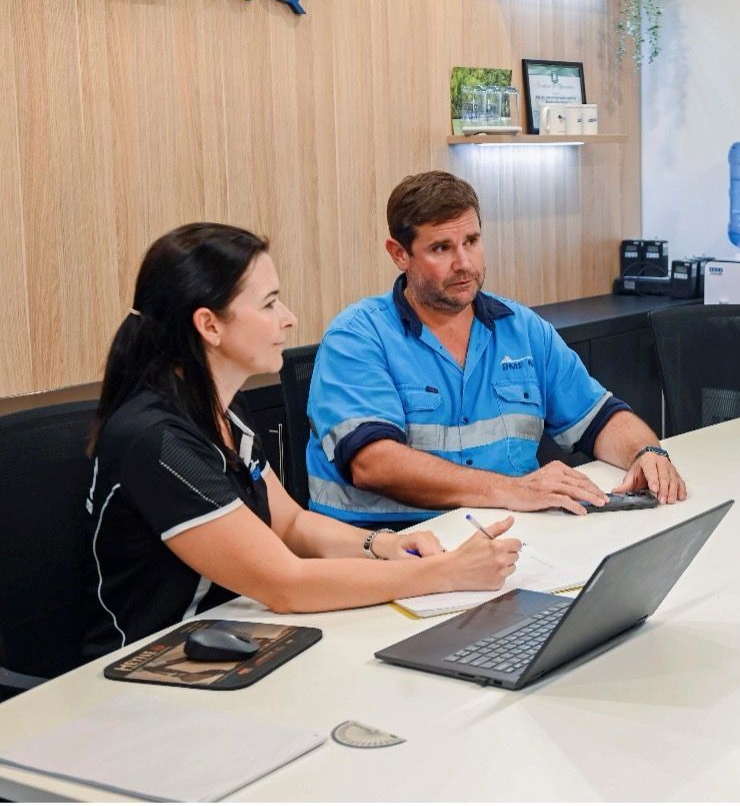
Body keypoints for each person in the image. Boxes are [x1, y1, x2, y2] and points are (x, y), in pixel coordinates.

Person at [84, 223, 521, 660]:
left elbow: (291, 525)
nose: (288, 317)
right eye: (270, 303)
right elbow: (285, 584)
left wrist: (382, 545)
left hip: (238, 634)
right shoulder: (158, 443)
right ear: (209, 325)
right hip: (151, 666)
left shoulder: (221, 410)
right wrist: (444, 574)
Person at [306, 170, 687, 527]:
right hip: (386, 551)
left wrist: (646, 452)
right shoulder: (356, 337)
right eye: (441, 248)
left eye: (471, 241)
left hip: (502, 538)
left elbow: (600, 418)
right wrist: (510, 490)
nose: (464, 263)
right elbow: (375, 464)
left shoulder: (521, 329)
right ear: (399, 254)